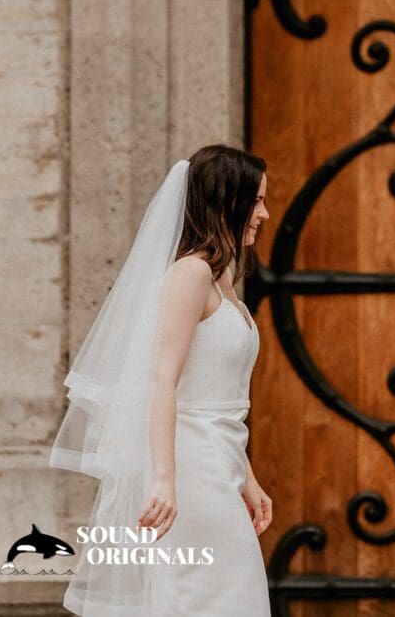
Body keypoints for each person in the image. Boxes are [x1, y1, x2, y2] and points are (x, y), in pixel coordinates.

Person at [50, 145, 273, 615]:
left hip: (220, 466)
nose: (264, 213)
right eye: (254, 201)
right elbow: (162, 382)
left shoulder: (222, 279)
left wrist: (247, 479)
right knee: (208, 596)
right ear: (226, 201)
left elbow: (213, 393)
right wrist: (166, 482)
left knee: (233, 592)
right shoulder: (190, 274)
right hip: (190, 473)